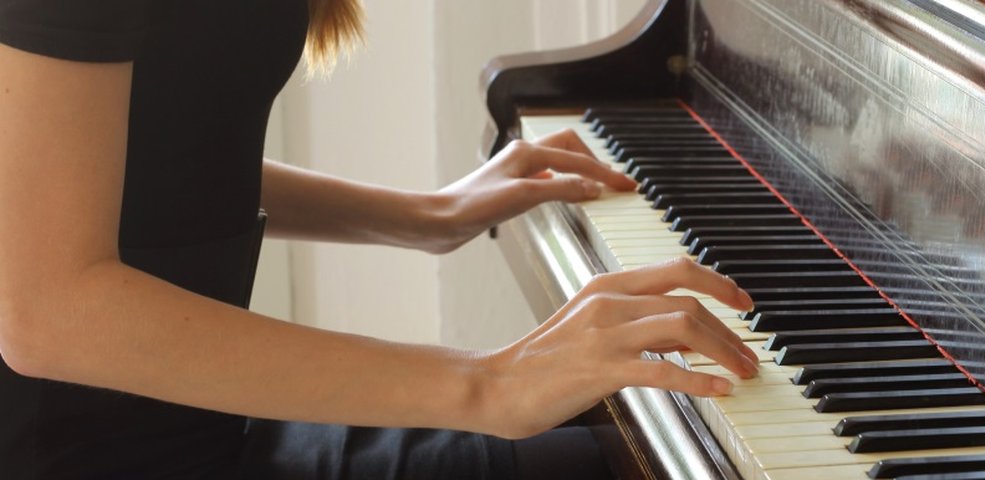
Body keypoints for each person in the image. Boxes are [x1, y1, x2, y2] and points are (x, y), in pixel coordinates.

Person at [0, 0, 759, 478]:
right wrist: (488, 383)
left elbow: (138, 151)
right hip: (82, 455)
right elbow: (48, 311)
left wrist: (422, 215)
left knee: (634, 427)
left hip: (193, 429)